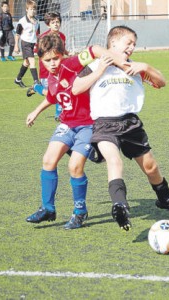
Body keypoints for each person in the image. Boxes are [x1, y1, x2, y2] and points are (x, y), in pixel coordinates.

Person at [72, 25, 169, 231]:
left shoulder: (133, 66)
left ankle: (167, 200)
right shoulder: (96, 64)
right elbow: (76, 88)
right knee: (114, 160)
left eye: (134, 44)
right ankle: (120, 206)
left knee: (151, 168)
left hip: (130, 124)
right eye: (129, 42)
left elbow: (161, 82)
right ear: (114, 42)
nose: (132, 47)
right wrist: (100, 71)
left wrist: (145, 66)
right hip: (104, 125)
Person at [25, 34, 124, 229]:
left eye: (56, 58)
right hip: (67, 124)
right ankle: (48, 208)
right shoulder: (49, 77)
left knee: (74, 166)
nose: (53, 64)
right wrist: (35, 111)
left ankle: (79, 211)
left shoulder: (71, 63)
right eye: (47, 60)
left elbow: (94, 50)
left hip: (88, 124)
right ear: (41, 60)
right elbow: (53, 98)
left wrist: (117, 61)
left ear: (63, 55)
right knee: (48, 160)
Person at [27, 12, 68, 119]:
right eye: (53, 22)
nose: (56, 24)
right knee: (50, 93)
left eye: (58, 22)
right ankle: (36, 87)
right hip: (47, 71)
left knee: (60, 89)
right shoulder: (43, 37)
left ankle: (58, 114)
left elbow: (62, 50)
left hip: (59, 68)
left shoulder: (62, 36)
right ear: (48, 24)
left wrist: (68, 54)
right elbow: (39, 52)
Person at [14, 0, 40, 88]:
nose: (32, 11)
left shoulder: (37, 21)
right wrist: (16, 45)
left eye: (34, 9)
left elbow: (38, 34)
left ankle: (18, 79)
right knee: (32, 61)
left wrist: (38, 44)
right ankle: (36, 81)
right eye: (30, 9)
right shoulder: (22, 21)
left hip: (33, 44)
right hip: (25, 43)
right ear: (26, 9)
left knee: (26, 62)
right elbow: (17, 34)